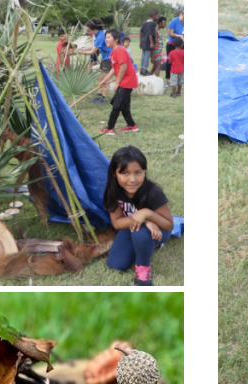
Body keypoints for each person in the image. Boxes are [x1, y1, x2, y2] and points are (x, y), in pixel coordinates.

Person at [103, 146, 174, 286]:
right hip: (131, 228)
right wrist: (145, 220)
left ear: (144, 172)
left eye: (138, 172)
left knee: (140, 232)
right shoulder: (113, 192)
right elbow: (117, 223)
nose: (132, 179)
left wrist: (147, 213)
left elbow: (168, 225)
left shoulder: (153, 192)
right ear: (114, 174)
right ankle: (145, 245)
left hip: (159, 231)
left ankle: (143, 270)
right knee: (116, 264)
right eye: (125, 173)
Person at [98, 29, 138, 135]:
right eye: (105, 37)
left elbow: (123, 67)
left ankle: (110, 128)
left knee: (117, 105)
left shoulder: (120, 50)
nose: (106, 40)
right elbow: (114, 68)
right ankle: (132, 126)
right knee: (123, 105)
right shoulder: (114, 51)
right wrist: (105, 80)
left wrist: (117, 83)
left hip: (127, 81)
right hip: (124, 81)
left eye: (108, 38)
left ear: (116, 39)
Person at [139, 10, 159, 76]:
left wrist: (140, 41)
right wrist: (151, 43)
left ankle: (142, 69)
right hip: (148, 42)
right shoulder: (153, 23)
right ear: (154, 16)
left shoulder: (145, 22)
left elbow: (140, 32)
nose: (158, 18)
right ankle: (145, 70)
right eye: (157, 16)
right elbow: (150, 34)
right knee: (147, 56)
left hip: (143, 41)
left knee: (143, 55)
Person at [165, 10, 184, 80]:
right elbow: (170, 33)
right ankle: (168, 79)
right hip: (172, 44)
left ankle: (181, 78)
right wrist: (180, 36)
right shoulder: (174, 21)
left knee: (182, 61)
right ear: (181, 14)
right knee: (170, 61)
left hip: (182, 45)